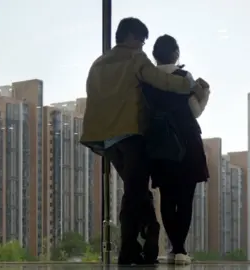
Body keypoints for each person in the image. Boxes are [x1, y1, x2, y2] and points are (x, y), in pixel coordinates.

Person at [80, 17, 206, 265]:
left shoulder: (98, 64)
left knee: (135, 190)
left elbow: (93, 95)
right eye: (140, 40)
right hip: (131, 135)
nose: (142, 46)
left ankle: (138, 245)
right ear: (130, 36)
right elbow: (163, 81)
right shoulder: (135, 58)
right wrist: (191, 84)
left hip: (107, 140)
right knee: (135, 192)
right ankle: (140, 242)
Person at [144, 34, 210, 265]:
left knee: (168, 196)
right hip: (186, 141)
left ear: (154, 55)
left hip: (160, 143)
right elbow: (194, 111)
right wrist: (205, 95)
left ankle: (175, 249)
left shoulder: (147, 79)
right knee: (185, 198)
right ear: (176, 53)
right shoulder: (184, 77)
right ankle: (179, 250)